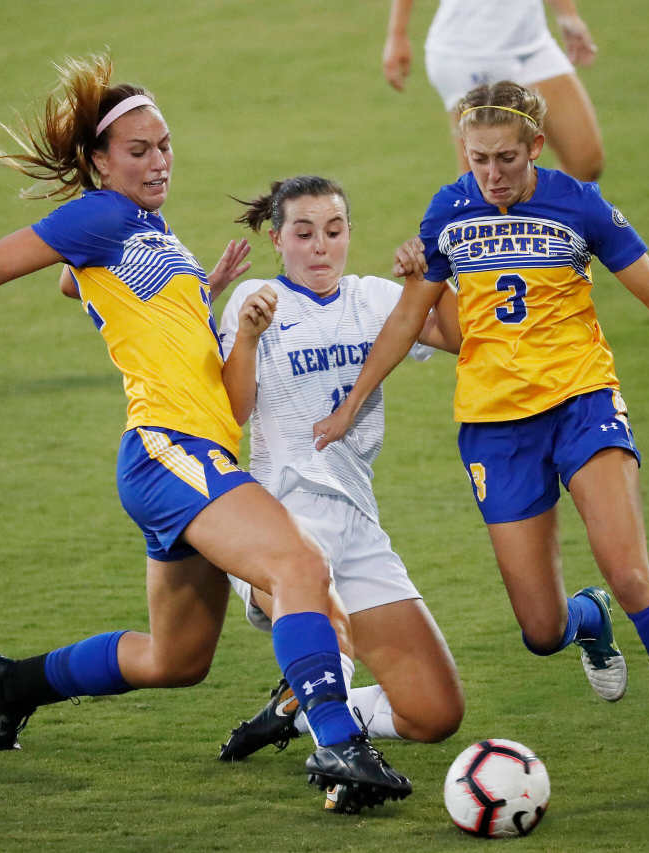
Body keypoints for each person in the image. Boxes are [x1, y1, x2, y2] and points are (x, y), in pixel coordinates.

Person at [0, 55, 411, 811]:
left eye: (165, 145)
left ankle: (14, 683)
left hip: (189, 458)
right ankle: (341, 745)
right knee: (299, 566)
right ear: (99, 162)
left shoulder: (150, 233)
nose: (158, 161)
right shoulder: (103, 216)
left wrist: (208, 300)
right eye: (138, 151)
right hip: (168, 451)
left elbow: (88, 286)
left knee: (176, 658)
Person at [313, 81, 649, 799]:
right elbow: (407, 319)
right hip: (494, 427)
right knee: (541, 629)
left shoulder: (578, 204)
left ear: (536, 148)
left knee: (631, 572)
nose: (491, 174)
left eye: (507, 159)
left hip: (583, 403)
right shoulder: (448, 212)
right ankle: (588, 621)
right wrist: (351, 404)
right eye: (479, 158)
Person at [197, 178, 465, 800]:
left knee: (434, 714)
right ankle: (338, 750)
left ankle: (299, 706)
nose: (322, 247)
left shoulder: (373, 299)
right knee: (330, 629)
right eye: (305, 232)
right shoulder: (253, 301)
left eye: (335, 231)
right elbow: (233, 413)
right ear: (277, 239)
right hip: (279, 519)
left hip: (356, 520)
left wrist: (433, 276)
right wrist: (250, 337)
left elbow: (456, 338)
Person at [383, 0, 604, 181]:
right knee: (484, 184)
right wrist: (397, 34)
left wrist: (568, 15)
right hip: (470, 52)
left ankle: (537, 229)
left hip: (532, 42)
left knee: (584, 163)